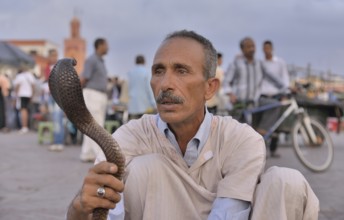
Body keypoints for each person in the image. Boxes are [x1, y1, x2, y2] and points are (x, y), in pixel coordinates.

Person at [66, 30, 319, 220]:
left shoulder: (241, 140)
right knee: (148, 167)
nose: (166, 83)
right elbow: (104, 212)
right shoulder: (131, 137)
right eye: (158, 71)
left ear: (210, 88)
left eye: (181, 71)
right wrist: (80, 206)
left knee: (286, 181)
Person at [258, 40, 290, 157]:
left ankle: (272, 149)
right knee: (264, 123)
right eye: (264, 48)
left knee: (276, 125)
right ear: (263, 50)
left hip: (277, 96)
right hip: (264, 96)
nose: (266, 50)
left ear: (271, 49)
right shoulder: (260, 63)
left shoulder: (280, 63)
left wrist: (286, 91)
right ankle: (261, 149)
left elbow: (285, 78)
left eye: (268, 48)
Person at [79, 38, 109, 162]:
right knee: (96, 125)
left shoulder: (101, 61)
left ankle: (87, 153)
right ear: (100, 45)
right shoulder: (92, 60)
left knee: (92, 125)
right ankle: (98, 155)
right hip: (92, 94)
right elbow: (84, 78)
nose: (108, 47)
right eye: (106, 45)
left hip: (100, 95)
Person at [46, 49, 66, 152]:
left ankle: (59, 142)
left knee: (58, 119)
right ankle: (56, 141)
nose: (54, 58)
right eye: (52, 56)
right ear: (49, 57)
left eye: (55, 55)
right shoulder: (47, 68)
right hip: (50, 96)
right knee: (54, 120)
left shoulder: (59, 68)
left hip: (58, 96)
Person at [127, 55, 156, 120]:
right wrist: (153, 103)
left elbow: (129, 88)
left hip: (133, 105)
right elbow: (149, 88)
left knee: (134, 127)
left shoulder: (130, 73)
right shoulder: (146, 72)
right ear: (144, 61)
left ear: (135, 62)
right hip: (144, 105)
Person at [13, 67, 35, 134]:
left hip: (22, 95)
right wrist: (32, 95)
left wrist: (15, 96)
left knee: (23, 110)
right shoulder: (30, 75)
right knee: (27, 111)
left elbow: (17, 86)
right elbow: (33, 86)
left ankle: (24, 127)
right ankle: (27, 126)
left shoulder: (19, 76)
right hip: (29, 95)